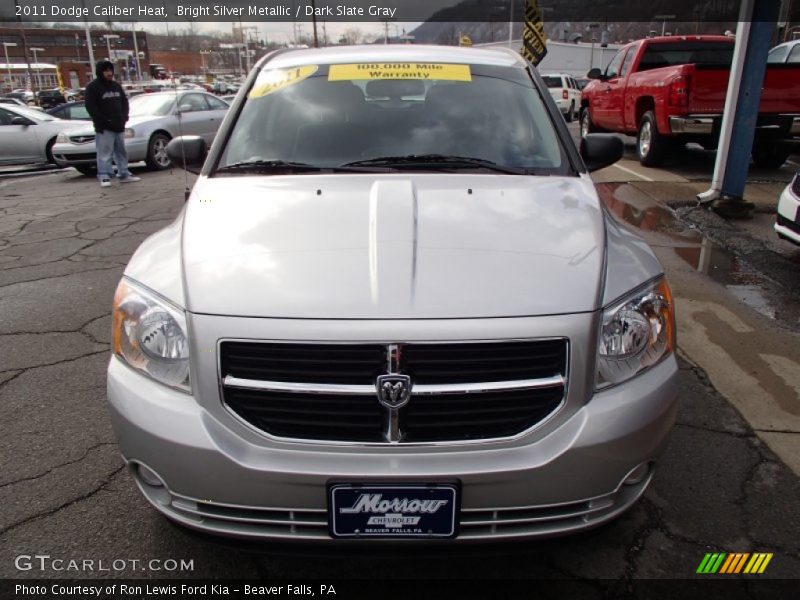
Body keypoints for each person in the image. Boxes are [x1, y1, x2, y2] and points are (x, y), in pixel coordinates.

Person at [84, 60, 141, 187]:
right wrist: (103, 121)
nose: (109, 73)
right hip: (104, 127)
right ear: (100, 72)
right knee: (104, 153)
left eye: (110, 70)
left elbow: (124, 102)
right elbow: (91, 107)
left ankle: (124, 173)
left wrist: (124, 117)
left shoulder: (116, 86)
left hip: (118, 125)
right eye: (106, 71)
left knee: (121, 151)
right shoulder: (93, 87)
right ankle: (104, 175)